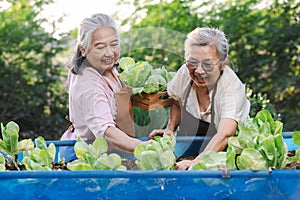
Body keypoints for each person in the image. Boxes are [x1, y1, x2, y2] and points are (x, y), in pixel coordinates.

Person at [149, 27, 250, 170]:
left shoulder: (231, 89)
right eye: (192, 62)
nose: (199, 71)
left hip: (228, 143)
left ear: (223, 63)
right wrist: (170, 128)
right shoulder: (184, 73)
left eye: (208, 64)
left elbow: (225, 135)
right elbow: (177, 102)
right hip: (195, 131)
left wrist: (195, 163)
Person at [60, 13, 147, 160]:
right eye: (100, 47)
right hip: (85, 156)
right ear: (83, 49)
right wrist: (145, 148)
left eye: (114, 44)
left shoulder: (108, 69)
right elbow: (105, 131)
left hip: (110, 151)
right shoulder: (87, 82)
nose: (109, 53)